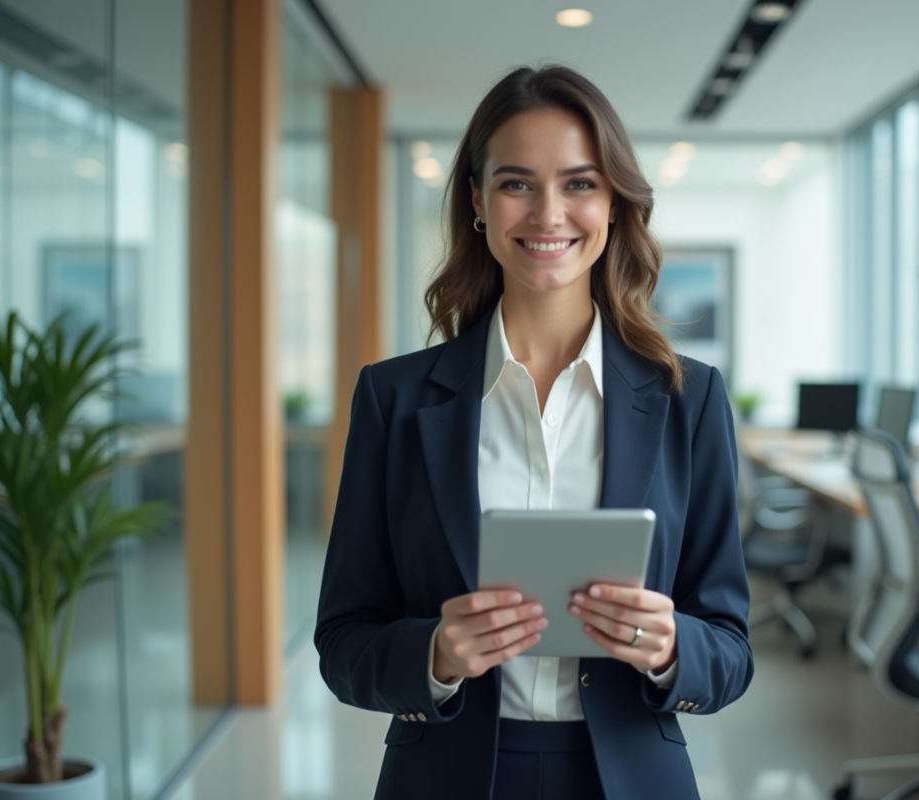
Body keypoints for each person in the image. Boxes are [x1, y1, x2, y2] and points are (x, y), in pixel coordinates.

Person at [315, 64, 753, 800]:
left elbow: (732, 651)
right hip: (445, 777)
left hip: (632, 776)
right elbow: (344, 643)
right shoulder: (392, 399)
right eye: (517, 183)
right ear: (479, 203)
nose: (549, 214)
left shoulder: (691, 398)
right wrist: (435, 654)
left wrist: (673, 647)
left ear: (614, 204)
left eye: (580, 183)